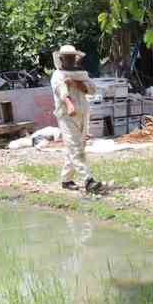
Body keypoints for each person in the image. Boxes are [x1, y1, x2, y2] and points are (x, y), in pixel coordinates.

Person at [50, 44, 102, 193]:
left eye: (72, 57)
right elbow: (62, 91)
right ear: (61, 59)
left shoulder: (81, 74)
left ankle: (66, 180)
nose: (70, 60)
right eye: (67, 57)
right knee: (75, 147)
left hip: (83, 113)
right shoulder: (57, 75)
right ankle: (88, 180)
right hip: (67, 116)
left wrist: (76, 83)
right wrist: (69, 104)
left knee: (76, 147)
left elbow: (91, 89)